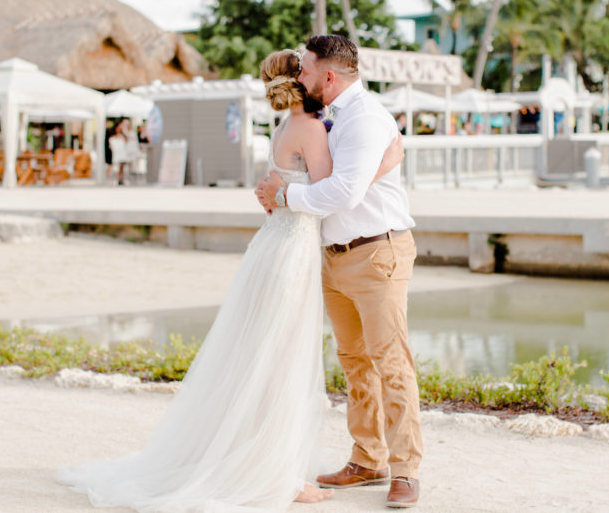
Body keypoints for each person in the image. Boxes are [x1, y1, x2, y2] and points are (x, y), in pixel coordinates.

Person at [59, 48, 402, 511]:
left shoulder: (288, 128)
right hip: (293, 255)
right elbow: (335, 193)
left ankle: (264, 460)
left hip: (276, 248)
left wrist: (278, 192)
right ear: (307, 82)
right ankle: (276, 474)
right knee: (282, 364)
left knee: (261, 358)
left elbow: (290, 185)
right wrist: (388, 158)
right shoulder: (312, 129)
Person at [255, 35, 422, 509]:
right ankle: (368, 457)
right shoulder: (325, 117)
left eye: (305, 69)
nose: (299, 75)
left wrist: (284, 195)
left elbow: (344, 193)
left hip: (376, 252)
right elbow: (325, 181)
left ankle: (406, 470)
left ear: (329, 76)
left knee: (391, 364)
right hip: (333, 253)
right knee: (354, 362)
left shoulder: (365, 118)